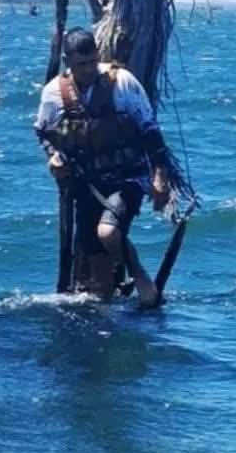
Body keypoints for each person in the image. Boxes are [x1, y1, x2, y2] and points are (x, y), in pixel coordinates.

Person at [35, 28, 171, 306]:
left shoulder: (122, 83)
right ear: (67, 61)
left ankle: (142, 279)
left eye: (91, 62)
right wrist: (53, 156)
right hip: (87, 183)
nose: (87, 70)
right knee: (95, 261)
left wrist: (160, 178)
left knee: (108, 232)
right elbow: (44, 132)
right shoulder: (53, 93)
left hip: (128, 177)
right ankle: (108, 312)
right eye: (80, 65)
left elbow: (151, 132)